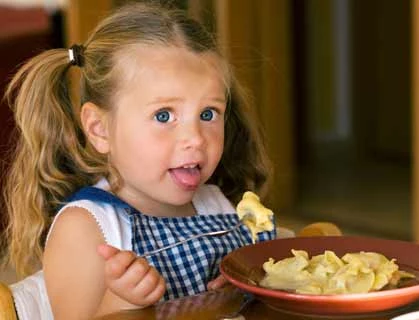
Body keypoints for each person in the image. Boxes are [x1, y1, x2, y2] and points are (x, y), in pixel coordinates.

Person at [1, 2, 275, 319]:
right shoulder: (88, 229)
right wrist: (121, 302)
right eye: (163, 115)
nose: (196, 138)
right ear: (99, 129)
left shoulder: (218, 204)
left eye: (208, 114)